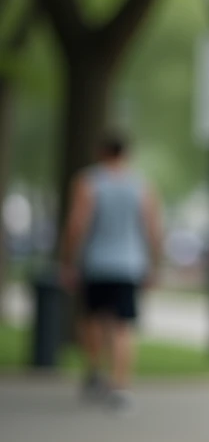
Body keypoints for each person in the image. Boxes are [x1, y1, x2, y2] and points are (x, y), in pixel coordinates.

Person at [60, 132, 164, 412]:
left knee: (92, 318)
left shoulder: (88, 182)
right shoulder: (142, 186)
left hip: (96, 262)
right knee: (123, 325)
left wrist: (68, 260)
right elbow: (153, 228)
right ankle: (121, 385)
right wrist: (155, 263)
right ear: (126, 154)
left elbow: (76, 223)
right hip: (130, 264)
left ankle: (95, 370)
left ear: (101, 152)